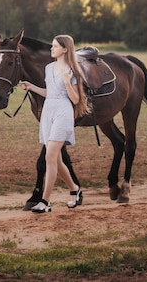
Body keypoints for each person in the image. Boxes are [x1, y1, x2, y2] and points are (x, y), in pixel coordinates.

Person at [18, 34, 89, 213]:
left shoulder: (72, 70)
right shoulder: (49, 68)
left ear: (65, 49)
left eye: (55, 46)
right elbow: (49, 92)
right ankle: (75, 189)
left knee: (50, 157)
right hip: (48, 112)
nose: (51, 49)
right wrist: (31, 87)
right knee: (56, 160)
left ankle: (45, 202)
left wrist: (66, 82)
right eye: (52, 46)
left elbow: (75, 99)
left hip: (63, 113)